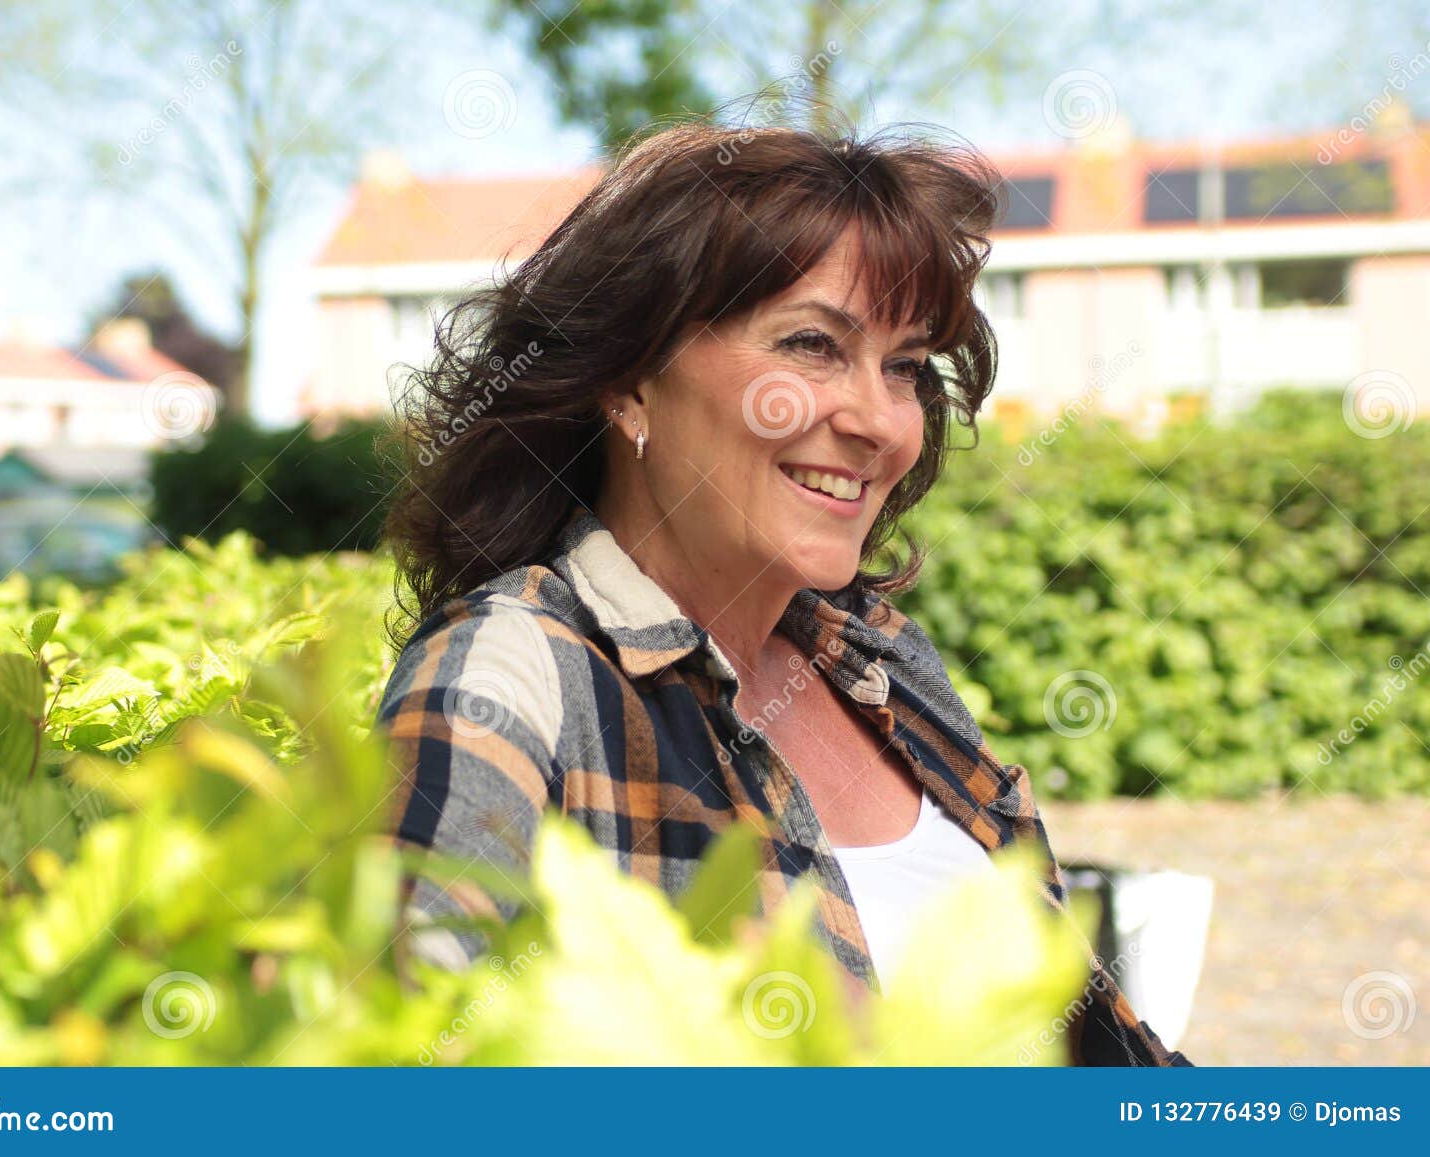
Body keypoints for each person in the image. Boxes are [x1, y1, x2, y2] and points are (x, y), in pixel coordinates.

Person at [373, 117, 1191, 1067]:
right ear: (630, 380)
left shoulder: (879, 660)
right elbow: (405, 1066)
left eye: (905, 367)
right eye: (810, 345)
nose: (880, 421)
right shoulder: (509, 675)